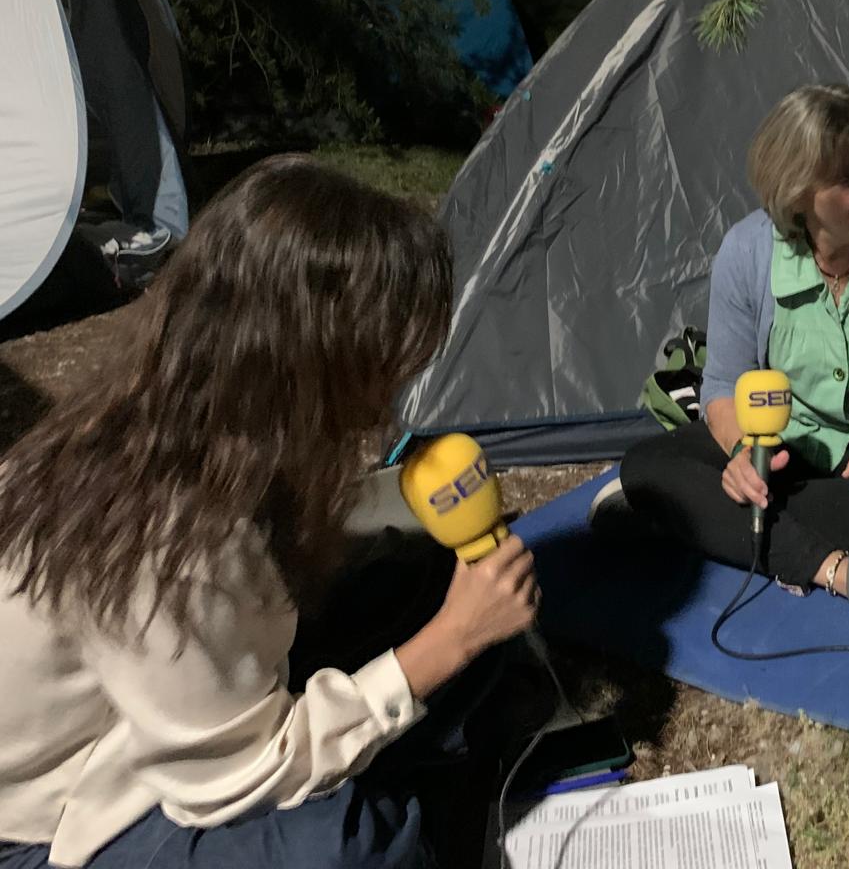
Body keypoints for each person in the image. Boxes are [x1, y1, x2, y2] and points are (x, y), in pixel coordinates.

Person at [0, 156, 540, 869]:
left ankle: (394, 773)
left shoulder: (187, 420)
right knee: (351, 850)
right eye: (383, 366)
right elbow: (227, 778)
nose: (387, 403)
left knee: (422, 585)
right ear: (312, 361)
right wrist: (450, 642)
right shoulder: (172, 528)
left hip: (171, 711)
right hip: (62, 819)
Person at [607, 84, 849, 653]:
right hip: (783, 455)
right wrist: (740, 454)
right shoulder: (747, 253)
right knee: (644, 465)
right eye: (847, 179)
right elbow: (722, 386)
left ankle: (690, 513)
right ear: (797, 194)